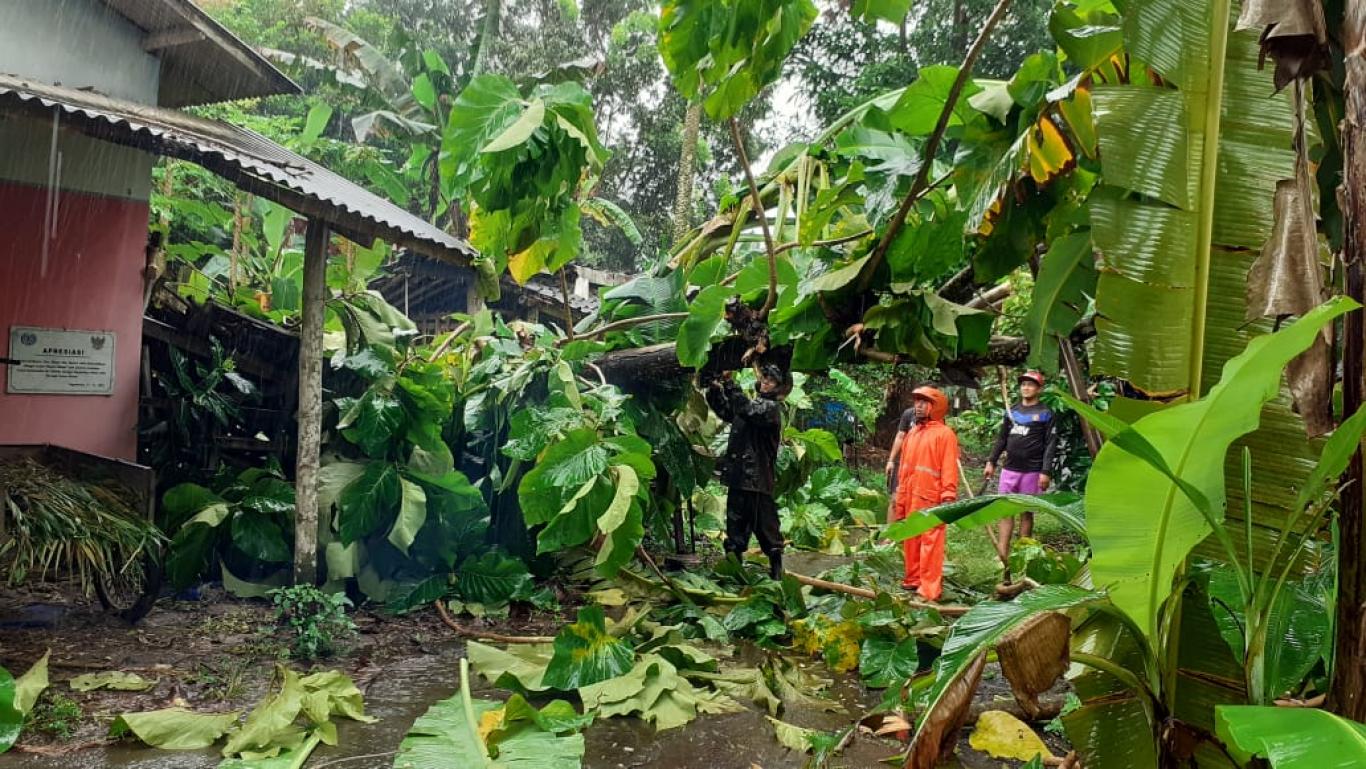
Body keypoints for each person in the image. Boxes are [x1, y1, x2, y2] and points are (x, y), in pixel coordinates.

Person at [706, 363, 790, 579]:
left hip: (756, 479)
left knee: (766, 527)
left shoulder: (770, 409)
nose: (765, 382)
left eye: (770, 381)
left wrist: (729, 383)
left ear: (780, 389)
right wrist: (714, 388)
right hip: (739, 477)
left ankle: (777, 572)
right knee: (735, 528)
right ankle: (736, 572)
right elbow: (728, 410)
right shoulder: (754, 407)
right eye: (765, 377)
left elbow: (747, 410)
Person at [889, 386, 960, 601]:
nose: (918, 406)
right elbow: (905, 468)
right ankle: (913, 579)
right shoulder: (913, 432)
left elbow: (949, 468)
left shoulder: (945, 435)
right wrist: (901, 494)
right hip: (911, 494)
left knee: (930, 543)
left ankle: (929, 589)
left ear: (935, 406)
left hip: (931, 497)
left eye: (924, 402)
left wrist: (948, 497)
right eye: (916, 401)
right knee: (911, 539)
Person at [983, 370, 1058, 558]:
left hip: (1032, 471)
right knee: (1006, 511)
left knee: (1026, 512)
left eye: (1031, 384)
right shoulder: (1012, 411)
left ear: (1039, 389)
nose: (1026, 387)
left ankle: (1023, 554)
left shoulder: (1046, 413)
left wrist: (1046, 471)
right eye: (1023, 384)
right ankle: (1003, 554)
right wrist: (991, 461)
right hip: (1009, 469)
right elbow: (1002, 439)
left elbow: (1051, 443)